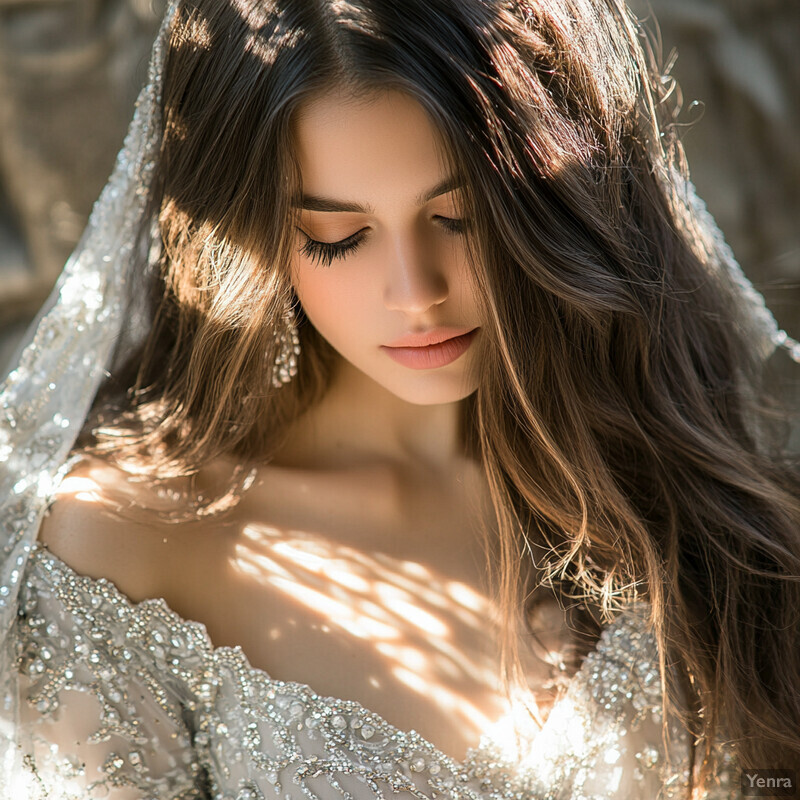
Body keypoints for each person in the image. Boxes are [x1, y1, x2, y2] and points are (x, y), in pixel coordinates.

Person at [1, 0, 799, 797]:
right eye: (338, 236)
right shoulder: (123, 547)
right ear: (254, 231)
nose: (417, 294)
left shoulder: (684, 484)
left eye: (460, 216)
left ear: (558, 207)